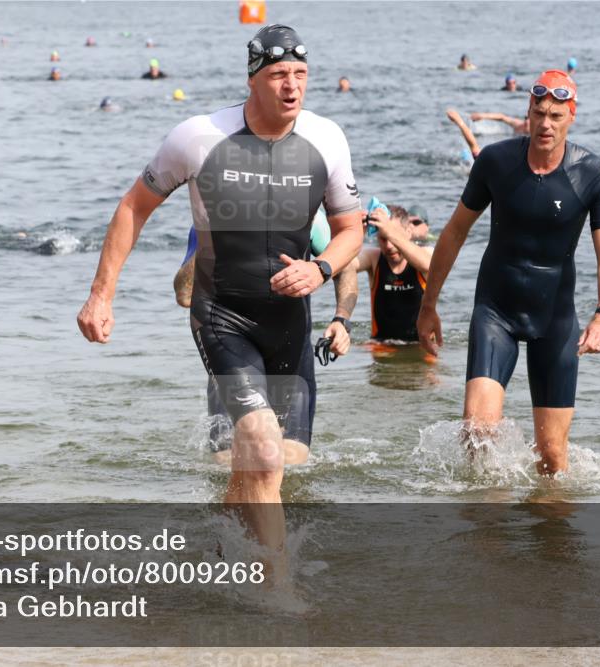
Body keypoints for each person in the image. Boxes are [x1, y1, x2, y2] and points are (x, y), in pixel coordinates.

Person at [77, 24, 362, 576]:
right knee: (260, 443)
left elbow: (351, 229)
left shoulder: (328, 139)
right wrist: (100, 296)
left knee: (277, 463)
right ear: (253, 78)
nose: (292, 87)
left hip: (290, 325)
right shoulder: (199, 136)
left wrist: (320, 269)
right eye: (279, 75)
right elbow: (134, 207)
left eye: (300, 75)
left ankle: (221, 547)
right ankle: (276, 587)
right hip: (222, 314)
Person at [417, 69, 600, 476]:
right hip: (496, 312)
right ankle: (488, 529)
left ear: (572, 116)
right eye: (539, 113)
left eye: (556, 116)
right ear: (528, 111)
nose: (545, 124)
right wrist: (429, 305)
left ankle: (547, 536)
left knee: (552, 457)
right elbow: (455, 232)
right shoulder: (496, 161)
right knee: (477, 433)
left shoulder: (594, 174)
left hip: (555, 321)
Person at [174, 214, 356, 462]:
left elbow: (345, 266)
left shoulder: (309, 216)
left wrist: (341, 319)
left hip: (290, 351)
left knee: (290, 462)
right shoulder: (211, 218)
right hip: (230, 349)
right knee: (226, 463)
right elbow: (185, 295)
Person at [339, 206, 432, 343]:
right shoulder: (374, 259)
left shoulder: (426, 253)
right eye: (383, 239)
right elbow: (344, 264)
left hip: (421, 345)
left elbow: (429, 265)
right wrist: (356, 233)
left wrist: (389, 232)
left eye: (392, 237)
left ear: (408, 232)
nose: (389, 246)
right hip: (382, 345)